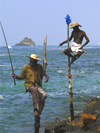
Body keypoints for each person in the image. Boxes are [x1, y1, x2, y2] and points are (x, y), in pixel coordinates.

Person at [11, 54, 49, 133]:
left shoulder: (39, 67)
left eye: (33, 61)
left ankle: (39, 112)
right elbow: (22, 76)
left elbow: (43, 71)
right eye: (31, 61)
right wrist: (16, 77)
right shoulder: (26, 67)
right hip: (29, 86)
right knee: (34, 90)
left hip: (38, 85)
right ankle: (35, 109)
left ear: (35, 61)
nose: (31, 62)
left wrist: (46, 76)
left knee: (44, 95)